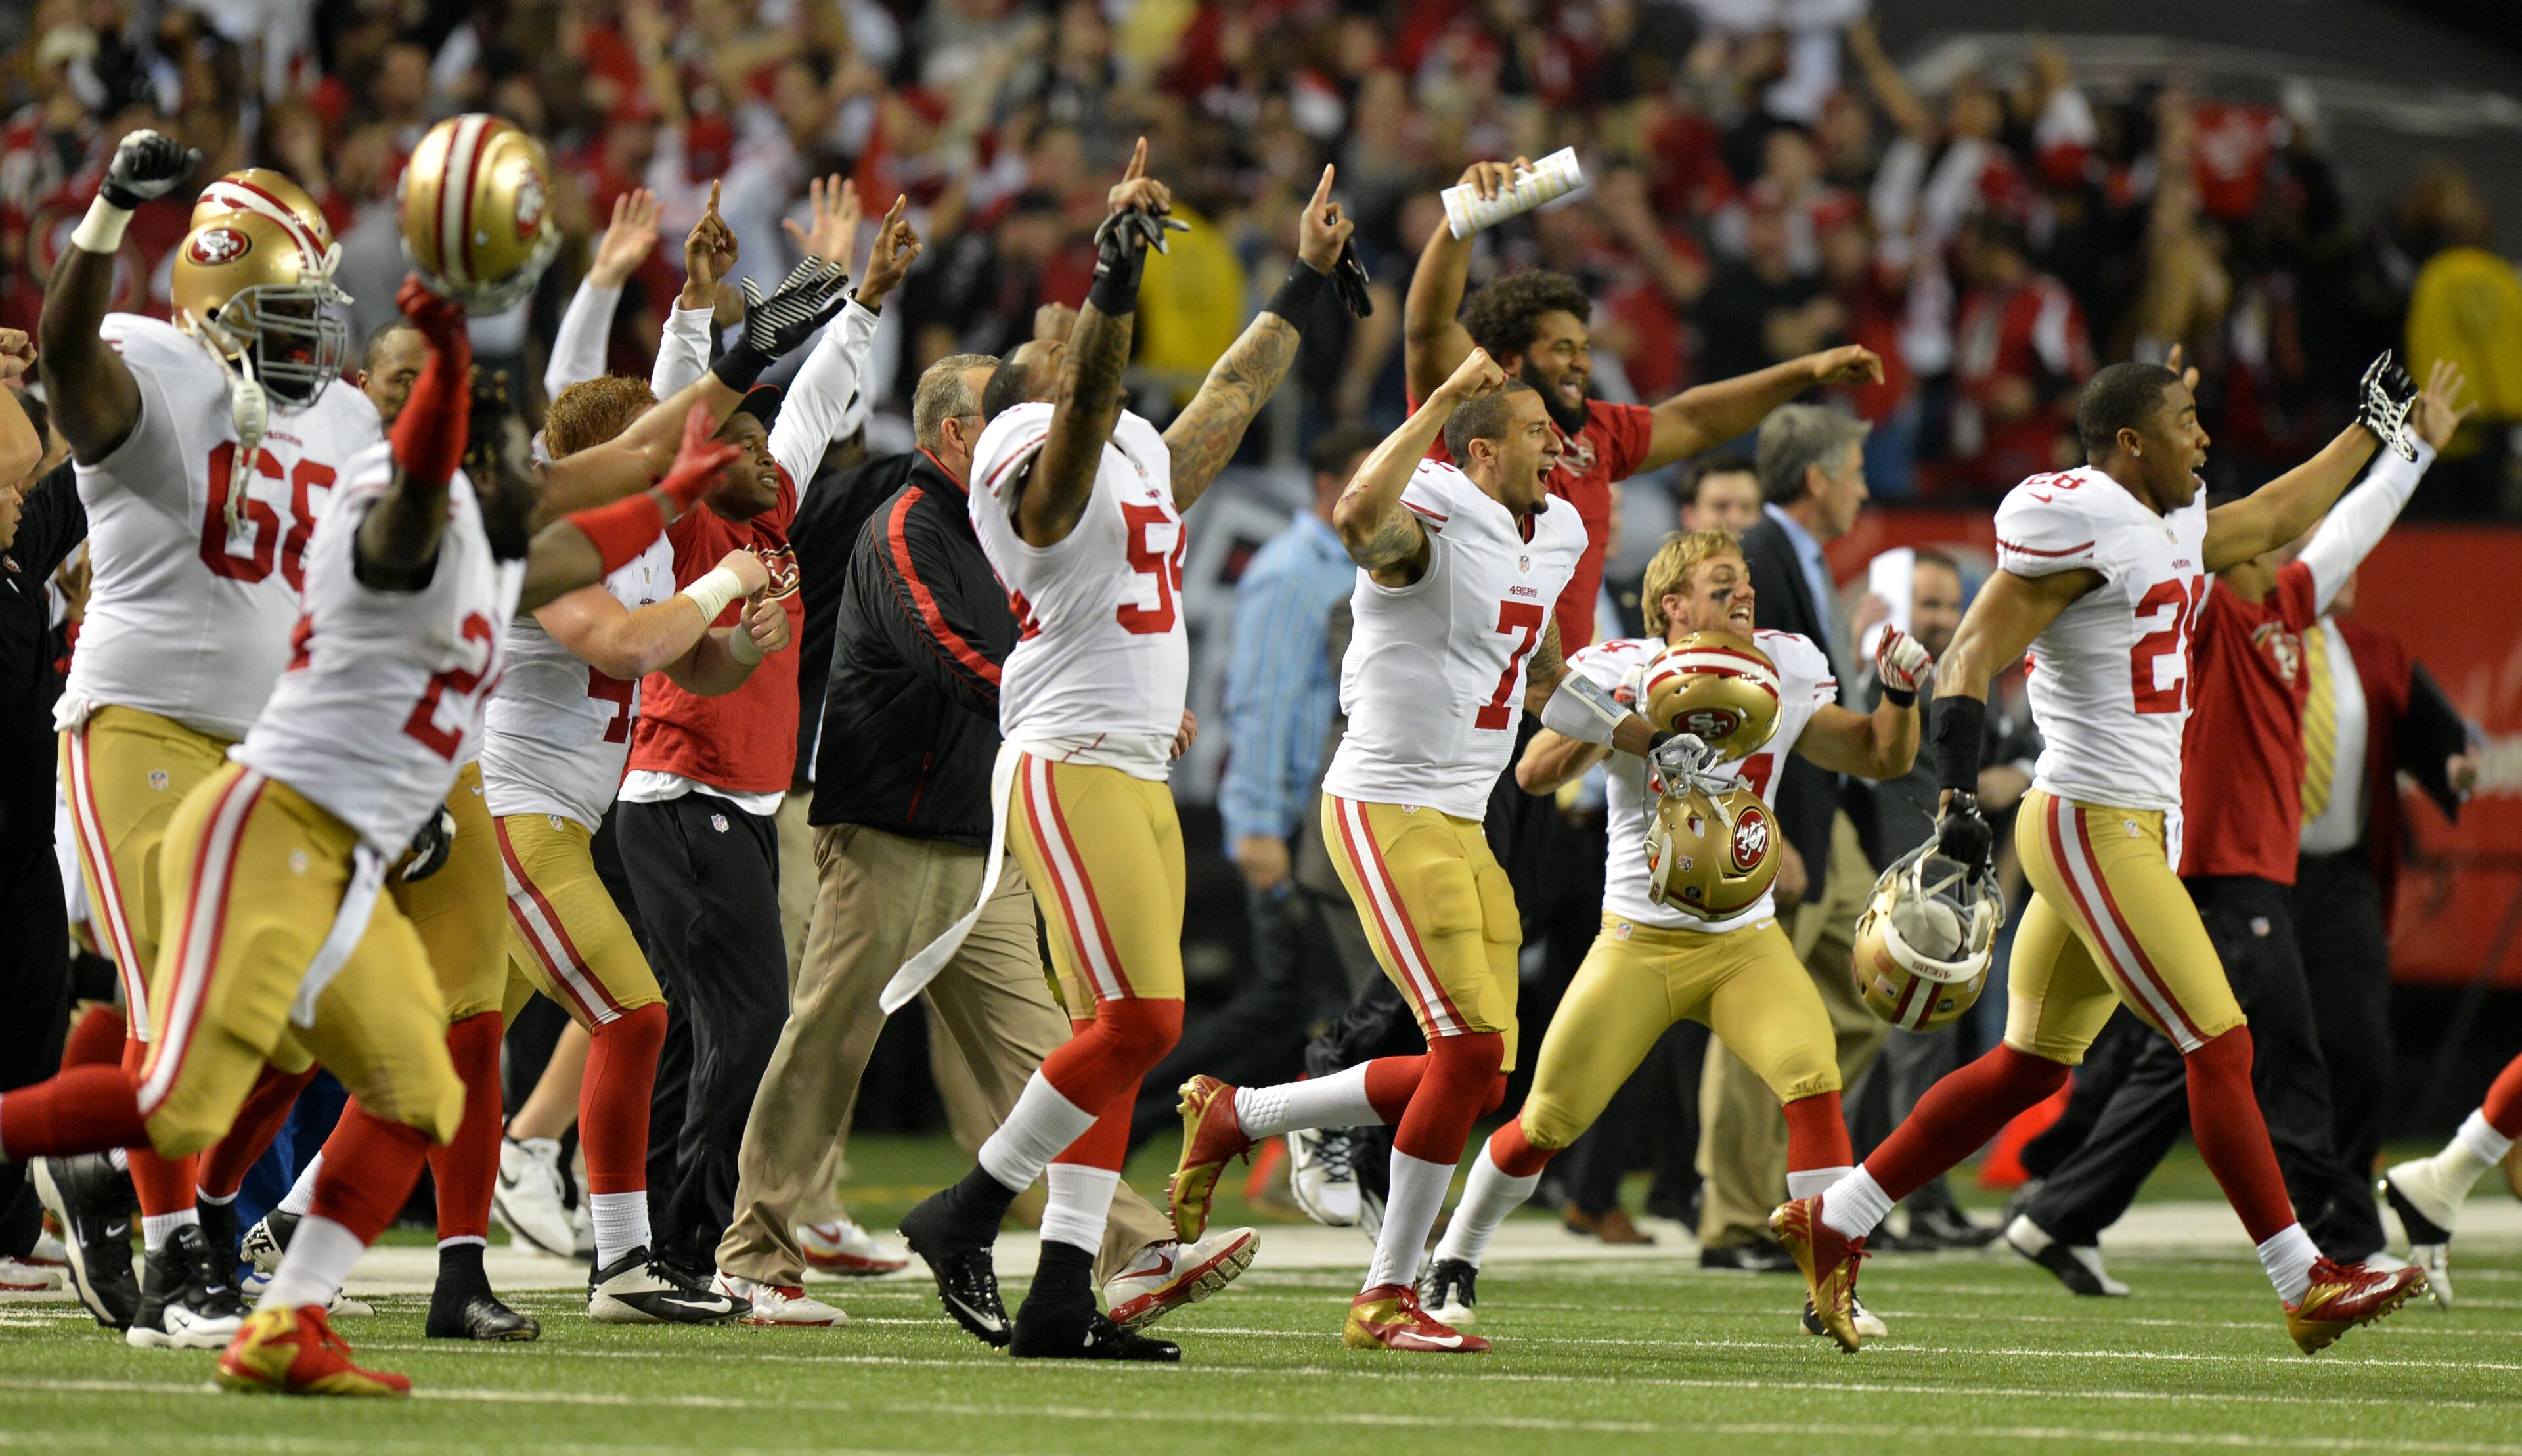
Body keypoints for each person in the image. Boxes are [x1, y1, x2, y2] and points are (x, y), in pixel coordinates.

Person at [0, 252, 793, 1392]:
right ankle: (45, 1141)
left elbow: (594, 510)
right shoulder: (382, 505)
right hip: (275, 824)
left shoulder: (487, 533)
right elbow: (502, 513)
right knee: (183, 1089)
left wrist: (686, 466)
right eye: (450, 414)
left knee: (419, 1082)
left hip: (362, 836)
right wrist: (460, 351)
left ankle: (285, 1314)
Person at [1774, 349, 2431, 1356]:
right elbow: (1969, 654)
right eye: (2185, 420)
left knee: (2029, 1068)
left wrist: (2369, 432)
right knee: (2221, 1041)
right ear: (2130, 442)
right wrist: (1956, 792)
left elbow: (2267, 521)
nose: (2205, 438)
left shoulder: (2164, 520)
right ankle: (2303, 1279)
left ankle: (1842, 1217)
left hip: (2123, 825)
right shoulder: (2077, 517)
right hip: (2092, 818)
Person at [892, 143, 1340, 1362]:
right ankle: (967, 1206)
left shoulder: (1131, 438)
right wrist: (1109, 285)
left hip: (1132, 758)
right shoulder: (1022, 447)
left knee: (1117, 1033)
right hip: (1070, 750)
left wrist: (1302, 280)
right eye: (1034, 338)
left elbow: (1231, 402)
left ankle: (1055, 1296)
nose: (1045, 326)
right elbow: (1079, 428)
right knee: (1144, 1017)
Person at [1166, 347, 1689, 1354]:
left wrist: (1644, 734)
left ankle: (1239, 1114)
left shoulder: (1560, 527)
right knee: (1467, 1053)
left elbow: (1536, 676)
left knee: (1486, 1075)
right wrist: (1445, 396)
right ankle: (1384, 1294)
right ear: (1483, 450)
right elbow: (1360, 520)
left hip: (1463, 808)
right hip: (1387, 800)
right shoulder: (1437, 507)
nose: (1562, 446)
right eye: (1541, 433)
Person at [2005, 363, 2466, 1294]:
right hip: (2207, 859)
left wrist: (2408, 451)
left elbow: (2341, 528)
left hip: (2267, 863)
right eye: (2267, 537)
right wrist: (2159, 466)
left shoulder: (2285, 606)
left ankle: (2057, 1214)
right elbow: (2245, 522)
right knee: (2270, 1049)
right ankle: (2332, 1245)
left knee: (2195, 1057)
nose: (2292, 543)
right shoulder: (2200, 605)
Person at [33, 139, 378, 1348]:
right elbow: (68, 361)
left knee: (309, 1010)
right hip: (141, 721)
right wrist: (106, 217)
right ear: (214, 295)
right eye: (282, 314)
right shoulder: (150, 359)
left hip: (273, 747)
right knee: (175, 985)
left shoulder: (339, 413)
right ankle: (179, 1259)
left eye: (314, 316)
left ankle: (153, 1191)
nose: (308, 342)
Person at [1418, 526, 1928, 1335]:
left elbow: (1876, 755)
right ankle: (1455, 1254)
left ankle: (1833, 1284)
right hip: (1640, 939)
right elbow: (1535, 772)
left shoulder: (1786, 665)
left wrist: (1899, 697)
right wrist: (1631, 714)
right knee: (1548, 1119)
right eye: (1722, 584)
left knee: (1811, 1075)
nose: (1743, 595)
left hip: (1745, 941)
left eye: (1746, 582)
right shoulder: (1624, 665)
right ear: (1673, 604)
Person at [613, 183, 907, 1273]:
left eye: (756, 439)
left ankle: (647, 1244)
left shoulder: (771, 501)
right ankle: (689, 1248)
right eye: (732, 437)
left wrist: (866, 298)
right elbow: (672, 420)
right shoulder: (688, 513)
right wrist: (694, 317)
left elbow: (818, 395)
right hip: (685, 792)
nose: (756, 449)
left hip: (733, 800)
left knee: (704, 1035)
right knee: (744, 1029)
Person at [479, 370, 787, 1325]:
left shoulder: (639, 537)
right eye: (651, 448)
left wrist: (743, 642)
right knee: (635, 1013)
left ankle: (283, 1228)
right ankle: (623, 1261)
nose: (671, 462)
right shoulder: (548, 540)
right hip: (512, 808)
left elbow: (692, 661)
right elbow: (619, 647)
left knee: (441, 1049)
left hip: (565, 815)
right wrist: (729, 579)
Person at [1128, 422, 1383, 1147]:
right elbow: (1263, 705)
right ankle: (1123, 1117)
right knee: (1292, 1003)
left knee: (1305, 1003)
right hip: (1297, 822)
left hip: (1326, 814)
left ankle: (1311, 1149)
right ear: (1329, 489)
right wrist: (1259, 827)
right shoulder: (1293, 571)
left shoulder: (1345, 567)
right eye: (1372, 484)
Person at [1698, 403, 1885, 1271]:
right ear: (1816, 479)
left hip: (1832, 816)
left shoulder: (1800, 556)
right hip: (1782, 821)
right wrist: (1760, 829)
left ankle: (1789, 1186)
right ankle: (1734, 1218)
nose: (1863, 489)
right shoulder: (1761, 560)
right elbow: (1736, 705)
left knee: (1873, 986)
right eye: (1852, 472)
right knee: (1751, 1022)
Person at [1850, 547, 2031, 1249]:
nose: (1943, 618)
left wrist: (2011, 770)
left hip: (1945, 884)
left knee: (1933, 1046)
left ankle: (1917, 1201)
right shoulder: (1889, 682)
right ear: (1895, 606)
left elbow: (2013, 751)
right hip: (1900, 888)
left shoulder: (1955, 678)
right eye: (1927, 604)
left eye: (1950, 604)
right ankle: (1904, 1203)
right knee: (1908, 1049)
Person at [0, 340, 67, 1292]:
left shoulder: (14, 561)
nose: (20, 490)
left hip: (23, 837)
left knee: (32, 1027)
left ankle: (9, 1217)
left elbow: (69, 478)